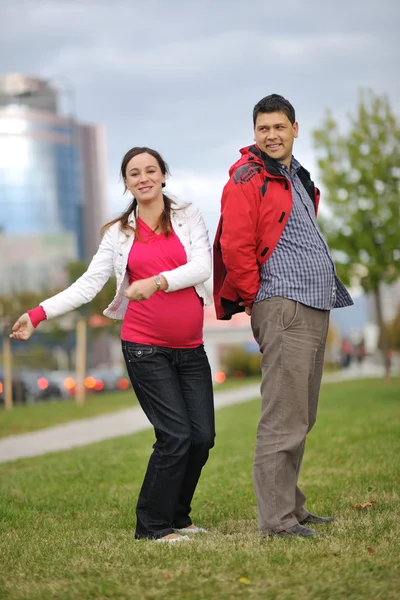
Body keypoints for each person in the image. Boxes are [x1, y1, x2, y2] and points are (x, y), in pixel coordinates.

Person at [11, 146, 215, 543]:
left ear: (163, 175)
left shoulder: (187, 216)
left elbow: (203, 267)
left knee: (202, 436)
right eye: (133, 173)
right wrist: (37, 314)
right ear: (125, 183)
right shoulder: (119, 234)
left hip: (191, 347)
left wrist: (157, 282)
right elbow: (88, 284)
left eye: (150, 170)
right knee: (175, 436)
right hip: (144, 346)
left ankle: (178, 516)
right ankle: (152, 526)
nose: (143, 178)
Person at [213, 94, 353, 538]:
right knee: (282, 415)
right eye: (263, 128)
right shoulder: (246, 178)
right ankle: (275, 521)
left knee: (302, 414)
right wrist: (258, 298)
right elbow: (235, 247)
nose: (271, 135)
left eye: (279, 127)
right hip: (283, 304)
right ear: (254, 133)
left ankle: (291, 506)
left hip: (312, 302)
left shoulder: (295, 177)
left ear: (296, 128)